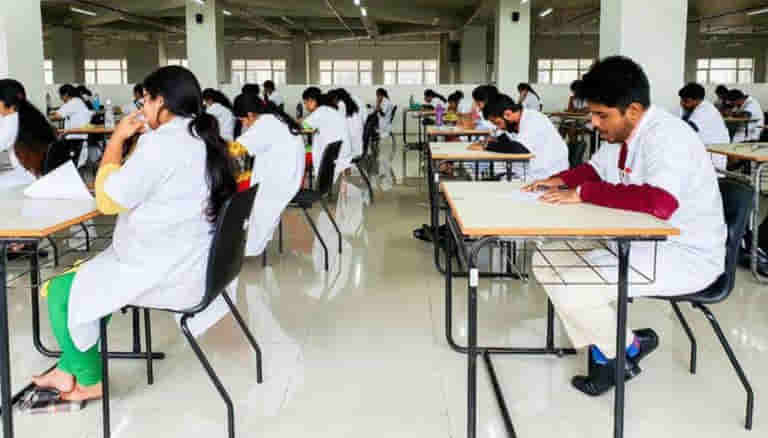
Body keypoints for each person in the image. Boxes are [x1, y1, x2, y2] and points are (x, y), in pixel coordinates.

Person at [31, 65, 237, 401]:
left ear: (161, 102)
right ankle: (67, 368)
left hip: (163, 266)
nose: (140, 110)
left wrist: (116, 139)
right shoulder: (202, 139)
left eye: (144, 102)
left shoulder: (161, 144)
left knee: (60, 292)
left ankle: (88, 379)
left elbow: (110, 202)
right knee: (92, 281)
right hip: (190, 259)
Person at [523, 56, 726, 396]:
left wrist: (583, 194)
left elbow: (661, 202)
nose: (594, 123)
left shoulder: (668, 137)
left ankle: (615, 357)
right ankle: (625, 347)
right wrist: (556, 180)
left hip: (685, 253)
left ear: (632, 110)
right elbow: (594, 169)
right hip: (638, 240)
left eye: (601, 115)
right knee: (546, 259)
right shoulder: (625, 135)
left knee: (573, 285)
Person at [233, 92, 304, 257]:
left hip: (281, 181)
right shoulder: (274, 118)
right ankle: (247, 240)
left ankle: (247, 248)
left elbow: (238, 149)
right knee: (246, 183)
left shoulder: (265, 123)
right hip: (289, 175)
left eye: (242, 120)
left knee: (246, 196)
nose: (244, 124)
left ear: (250, 115)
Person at [469, 94, 568, 181]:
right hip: (528, 173)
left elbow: (520, 148)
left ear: (507, 114)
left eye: (498, 123)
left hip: (547, 176)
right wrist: (494, 140)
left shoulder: (533, 119)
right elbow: (507, 140)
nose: (499, 127)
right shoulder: (515, 123)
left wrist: (486, 146)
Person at [0, 79, 56, 188]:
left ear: (6, 101)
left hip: (30, 178)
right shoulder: (30, 115)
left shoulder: (12, 120)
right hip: (39, 173)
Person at [678, 82, 729, 170]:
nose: (682, 103)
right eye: (681, 100)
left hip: (712, 153)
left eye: (686, 101)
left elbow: (688, 128)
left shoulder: (706, 109)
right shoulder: (690, 109)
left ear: (698, 100)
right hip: (702, 151)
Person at [303, 87, 351, 178]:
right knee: (309, 148)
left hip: (331, 161)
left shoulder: (321, 111)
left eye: (305, 103)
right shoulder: (330, 110)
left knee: (304, 151)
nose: (305, 106)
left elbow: (304, 126)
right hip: (341, 157)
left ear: (312, 101)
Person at [50, 84, 92, 165]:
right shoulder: (77, 101)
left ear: (65, 95)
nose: (61, 99)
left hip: (75, 140)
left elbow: (57, 117)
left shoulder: (73, 102)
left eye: (61, 96)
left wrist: (49, 117)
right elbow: (61, 112)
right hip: (77, 138)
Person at [328, 89, 365, 167]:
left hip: (352, 150)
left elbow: (336, 123)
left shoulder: (341, 105)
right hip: (357, 146)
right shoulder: (351, 105)